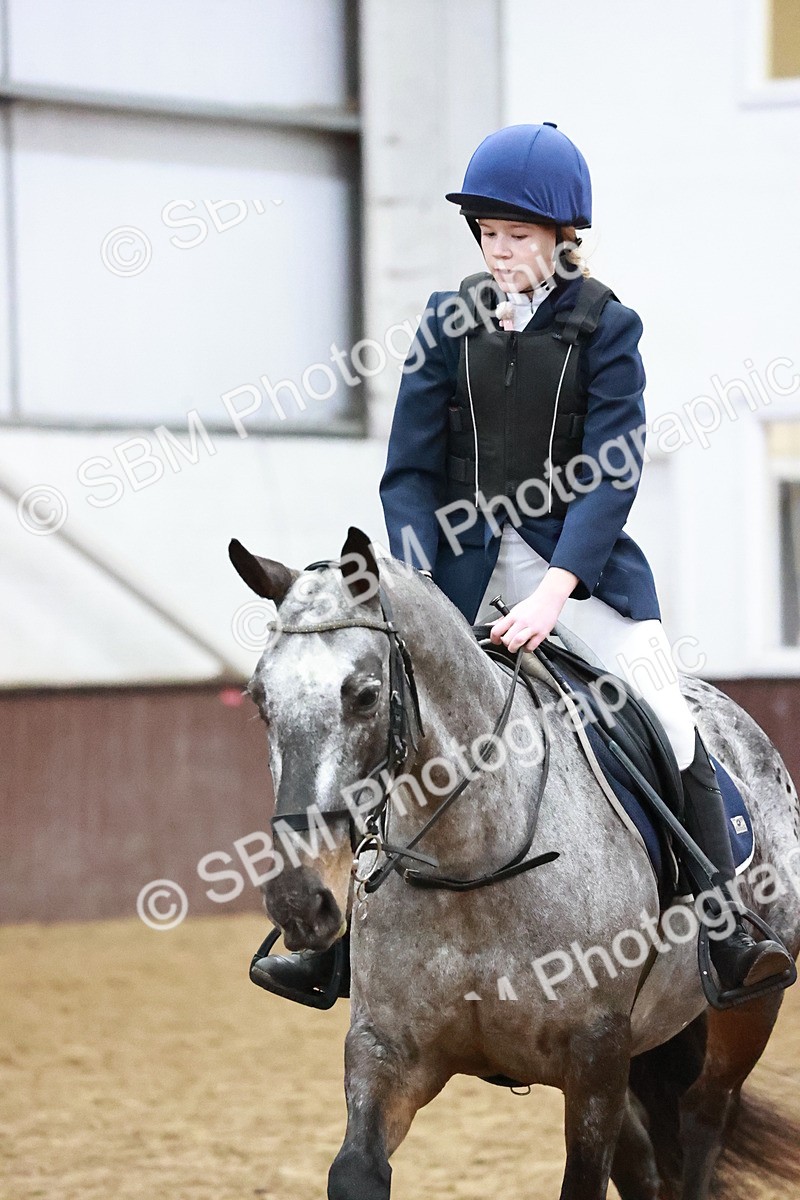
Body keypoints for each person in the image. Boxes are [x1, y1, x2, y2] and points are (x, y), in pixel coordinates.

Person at [252, 122, 792, 1004]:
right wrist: (419, 580)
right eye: (490, 234)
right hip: (454, 580)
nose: (501, 252)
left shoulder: (607, 327)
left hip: (581, 577)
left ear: (561, 238)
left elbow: (613, 471)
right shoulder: (445, 322)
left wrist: (552, 592)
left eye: (519, 236)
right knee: (388, 724)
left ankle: (727, 923)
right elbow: (410, 471)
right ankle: (335, 947)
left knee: (667, 708)